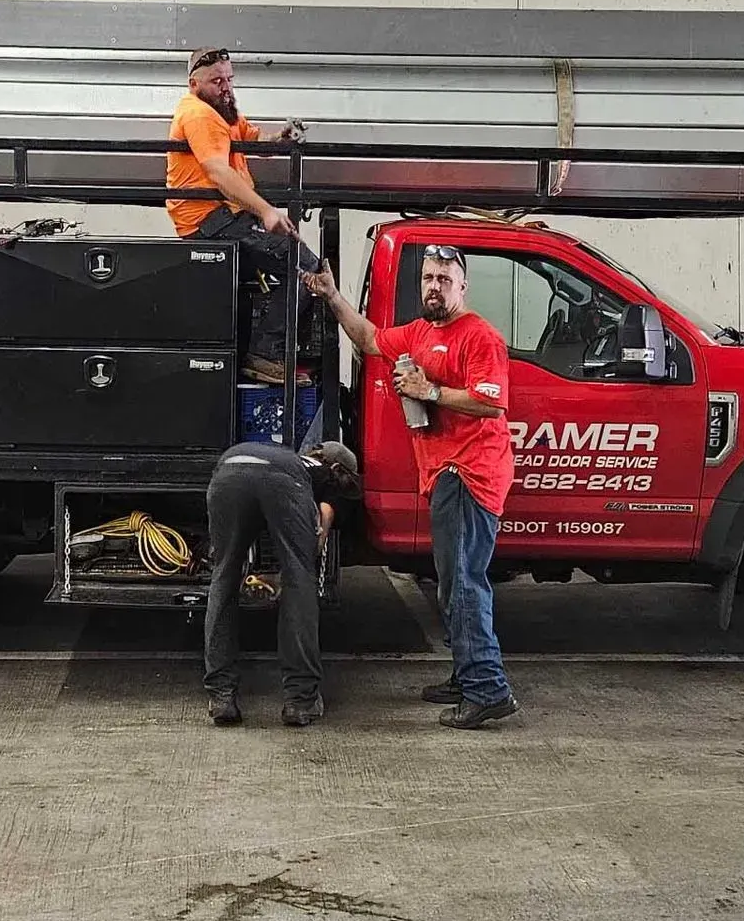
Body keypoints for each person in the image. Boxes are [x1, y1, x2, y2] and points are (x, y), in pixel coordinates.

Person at [304, 246, 519, 730]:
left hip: (471, 475)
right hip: (446, 473)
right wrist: (333, 296)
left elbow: (492, 404)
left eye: (445, 278)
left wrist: (431, 391)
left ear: (462, 286)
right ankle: (467, 676)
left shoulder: (479, 336)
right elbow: (368, 338)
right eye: (428, 277)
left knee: (464, 584)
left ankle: (488, 688)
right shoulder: (419, 333)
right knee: (451, 584)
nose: (435, 286)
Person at [166, 48, 318, 385]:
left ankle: (265, 347)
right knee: (306, 265)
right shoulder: (199, 115)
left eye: (229, 79)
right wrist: (265, 211)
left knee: (297, 264)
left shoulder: (223, 112)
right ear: (194, 84)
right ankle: (265, 353)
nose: (225, 87)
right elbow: (218, 171)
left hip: (224, 218)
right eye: (216, 80)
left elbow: (252, 140)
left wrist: (280, 138)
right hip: (212, 222)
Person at [203, 440, 361, 729]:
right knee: (300, 581)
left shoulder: (292, 455)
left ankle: (221, 696)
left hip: (228, 470)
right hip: (282, 480)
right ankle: (300, 701)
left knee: (223, 577)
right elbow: (321, 526)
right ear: (336, 467)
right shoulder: (324, 475)